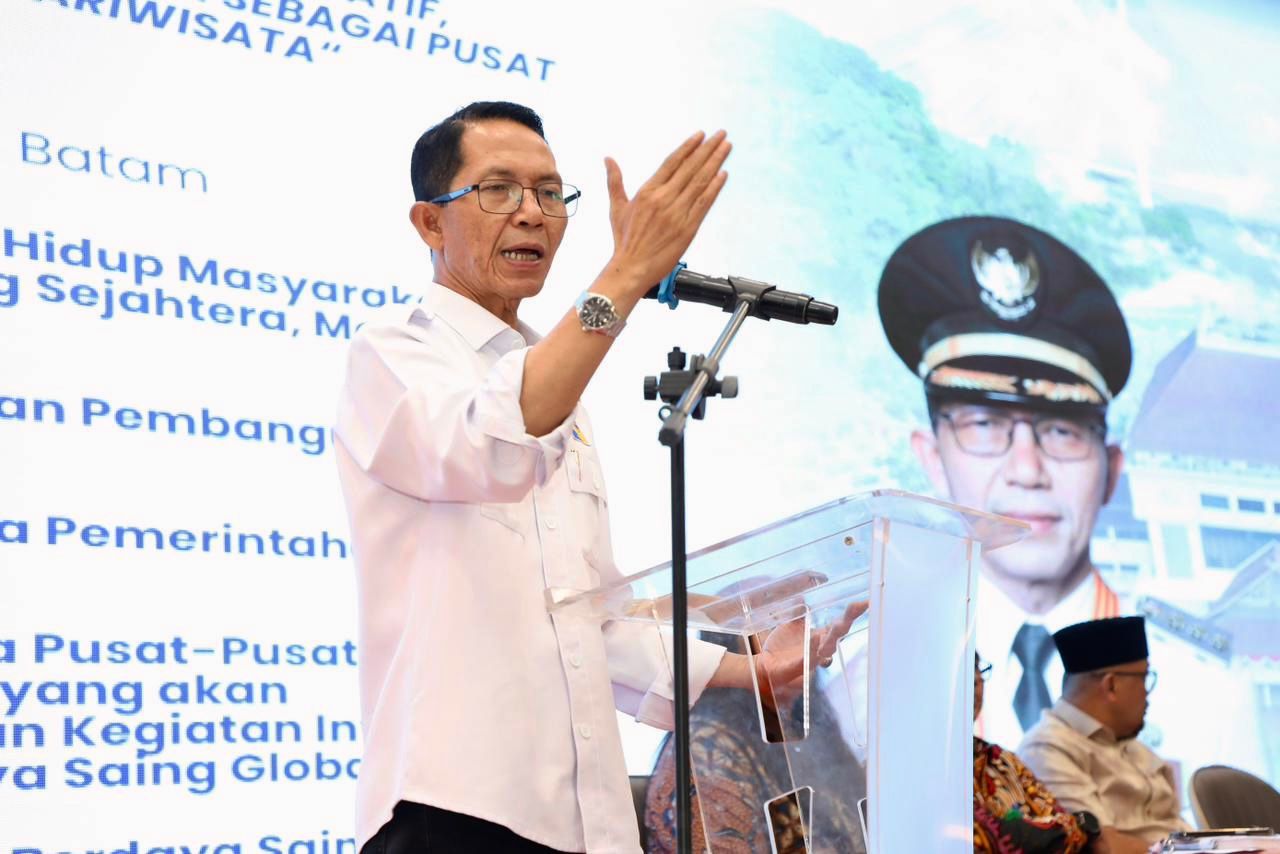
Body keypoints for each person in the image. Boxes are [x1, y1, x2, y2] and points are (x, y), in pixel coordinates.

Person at [333, 101, 846, 854]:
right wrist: (626, 275)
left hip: (581, 819)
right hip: (453, 810)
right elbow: (496, 446)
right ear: (430, 223)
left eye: (550, 193)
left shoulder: (556, 381)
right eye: (499, 190)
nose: (532, 213)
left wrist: (754, 671)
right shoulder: (391, 355)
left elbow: (592, 620)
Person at [877, 216, 1130, 748]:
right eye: (984, 425)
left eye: (1062, 431)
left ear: (1112, 469)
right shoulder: (871, 674)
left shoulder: (1203, 685)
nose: (1026, 470)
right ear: (933, 459)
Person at [1017, 617, 1192, 852]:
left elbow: (1179, 829)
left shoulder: (1133, 747)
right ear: (1111, 685)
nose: (1147, 693)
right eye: (1144, 678)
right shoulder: (1047, 749)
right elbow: (1104, 846)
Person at [973, 652, 1103, 854]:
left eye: (977, 669)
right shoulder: (927, 771)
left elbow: (1068, 826)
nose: (976, 681)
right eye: (967, 672)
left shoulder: (999, 759)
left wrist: (1070, 828)